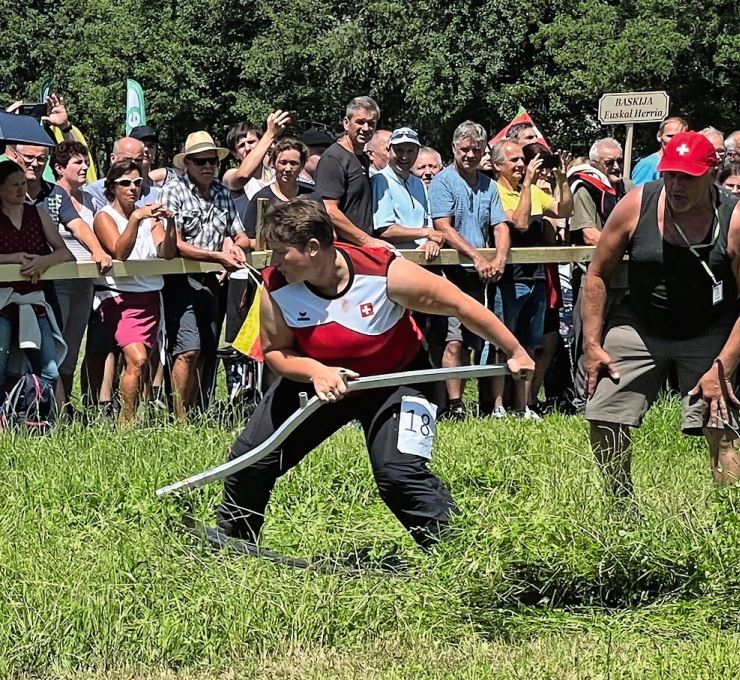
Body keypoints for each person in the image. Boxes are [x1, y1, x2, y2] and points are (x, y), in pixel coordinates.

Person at [215, 198, 534, 549]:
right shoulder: (276, 287)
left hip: (396, 382)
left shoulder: (384, 272)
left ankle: (457, 551)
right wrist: (315, 371)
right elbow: (276, 352)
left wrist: (515, 351)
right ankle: (235, 542)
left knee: (398, 475)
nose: (273, 262)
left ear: (313, 248)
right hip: (323, 384)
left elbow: (460, 303)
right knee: (250, 459)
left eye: (280, 252)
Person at [584, 132, 740, 494]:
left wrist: (722, 367)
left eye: (687, 177)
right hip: (640, 323)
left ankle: (730, 517)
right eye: (670, 175)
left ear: (710, 173)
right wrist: (591, 342)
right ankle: (619, 504)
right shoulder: (638, 203)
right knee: (604, 412)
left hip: (709, 329)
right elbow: (597, 274)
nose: (676, 184)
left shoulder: (738, 222)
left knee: (721, 420)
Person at [159, 131, 250, 421]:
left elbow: (241, 235)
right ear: (187, 164)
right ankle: (179, 417)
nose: (208, 166)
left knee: (208, 349)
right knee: (188, 348)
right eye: (200, 161)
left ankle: (199, 411)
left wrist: (234, 245)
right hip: (180, 279)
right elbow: (174, 244)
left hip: (212, 280)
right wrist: (217, 256)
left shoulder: (223, 192)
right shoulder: (174, 190)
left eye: (212, 161)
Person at [428, 121, 510, 420]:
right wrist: (477, 257)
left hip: (482, 275)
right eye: (464, 149)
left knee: (481, 339)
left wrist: (500, 257)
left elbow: (500, 224)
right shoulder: (443, 182)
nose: (470, 155)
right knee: (454, 339)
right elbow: (443, 227)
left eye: (476, 149)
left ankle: (486, 402)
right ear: (453, 149)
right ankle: (454, 404)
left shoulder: (489, 184)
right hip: (451, 273)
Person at [489, 140, 573, 418]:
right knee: (503, 343)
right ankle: (498, 406)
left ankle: (523, 405)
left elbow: (564, 210)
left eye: (521, 160)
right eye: (512, 160)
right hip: (509, 279)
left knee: (530, 344)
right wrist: (526, 185)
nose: (520, 164)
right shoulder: (496, 191)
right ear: (498, 165)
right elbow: (521, 223)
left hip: (536, 276)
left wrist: (561, 178)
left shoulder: (535, 191)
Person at [93, 161, 177, 425]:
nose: (133, 188)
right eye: (125, 183)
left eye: (138, 183)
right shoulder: (105, 217)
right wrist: (136, 219)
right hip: (119, 296)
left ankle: (133, 417)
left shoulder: (149, 217)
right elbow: (120, 251)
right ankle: (125, 424)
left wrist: (171, 223)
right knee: (138, 359)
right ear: (112, 187)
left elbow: (166, 252)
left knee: (144, 364)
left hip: (151, 296)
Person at [567, 138, 633, 404]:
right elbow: (590, 234)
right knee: (589, 340)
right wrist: (629, 239)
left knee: (623, 339)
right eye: (610, 163)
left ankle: (618, 396)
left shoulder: (628, 188)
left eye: (619, 161)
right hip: (593, 278)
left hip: (626, 277)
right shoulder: (585, 188)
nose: (616, 167)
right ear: (595, 164)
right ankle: (583, 399)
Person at [0, 162, 72, 400]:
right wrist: (13, 258)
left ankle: (45, 418)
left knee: (49, 369)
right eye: (14, 185)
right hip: (2, 302)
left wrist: (44, 261)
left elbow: (63, 252)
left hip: (33, 300)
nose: (22, 190)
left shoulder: (36, 213)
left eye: (23, 183)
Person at [49, 141, 113, 401]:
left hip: (86, 283)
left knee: (74, 346)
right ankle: (51, 407)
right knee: (57, 345)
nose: (85, 166)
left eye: (86, 161)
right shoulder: (50, 196)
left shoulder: (89, 198)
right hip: (57, 281)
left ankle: (65, 407)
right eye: (78, 162)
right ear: (59, 168)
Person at [314, 96, 382, 244]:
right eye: (360, 122)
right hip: (345, 249)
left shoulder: (362, 158)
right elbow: (330, 210)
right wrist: (366, 241)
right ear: (346, 123)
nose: (366, 128)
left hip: (363, 247)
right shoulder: (333, 159)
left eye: (371, 123)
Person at [371, 128, 443, 255]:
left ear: (416, 153)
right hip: (396, 260)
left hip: (424, 259)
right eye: (399, 150)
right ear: (389, 150)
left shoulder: (419, 183)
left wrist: (432, 242)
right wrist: (425, 233)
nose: (404, 156)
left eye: (410, 151)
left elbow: (428, 224)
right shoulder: (380, 180)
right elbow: (386, 231)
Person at [222, 113, 292, 217]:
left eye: (251, 142)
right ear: (235, 154)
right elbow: (242, 176)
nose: (247, 148)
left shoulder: (276, 174)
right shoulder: (229, 176)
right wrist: (269, 134)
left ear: (262, 144)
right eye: (241, 145)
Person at [86, 137, 160, 209]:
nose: (132, 164)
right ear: (113, 158)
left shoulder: (155, 195)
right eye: (127, 159)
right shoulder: (95, 191)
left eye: (138, 160)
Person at [631, 116, 688, 186]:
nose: (675, 141)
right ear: (659, 136)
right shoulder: (647, 164)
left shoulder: (687, 165)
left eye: (680, 137)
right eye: (670, 136)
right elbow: (637, 194)